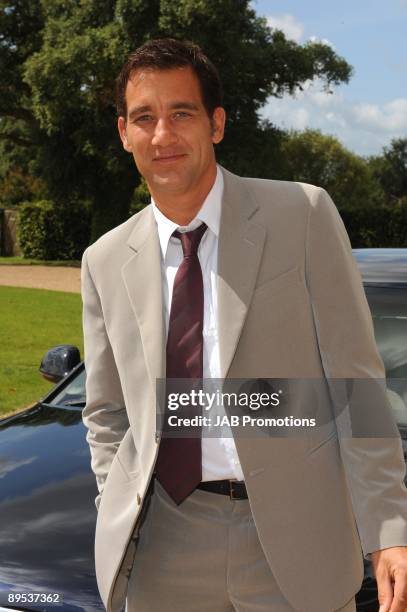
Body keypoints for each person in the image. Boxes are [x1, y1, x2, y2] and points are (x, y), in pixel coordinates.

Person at [81, 38, 407, 612]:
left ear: (217, 124)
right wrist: (118, 497)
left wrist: (388, 528)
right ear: (124, 133)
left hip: (292, 543)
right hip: (162, 549)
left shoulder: (301, 215)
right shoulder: (104, 260)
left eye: (181, 113)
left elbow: (357, 386)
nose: (163, 135)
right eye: (144, 118)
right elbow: (107, 412)